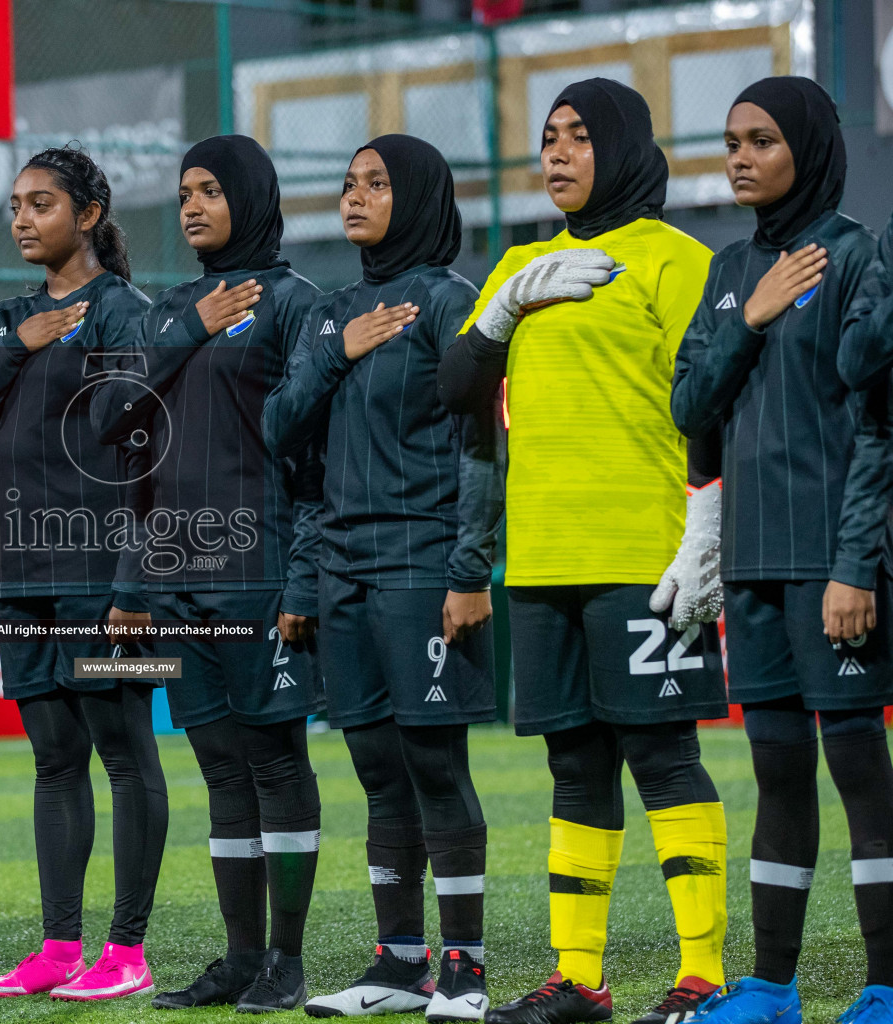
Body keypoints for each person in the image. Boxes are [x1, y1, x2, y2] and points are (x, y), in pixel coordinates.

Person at [438, 79, 731, 1024]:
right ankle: (580, 979)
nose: (556, 154)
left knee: (664, 757)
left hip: (647, 554)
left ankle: (703, 977)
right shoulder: (518, 263)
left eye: (577, 138)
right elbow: (456, 389)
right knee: (574, 767)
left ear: (623, 145)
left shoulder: (675, 261)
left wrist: (706, 526)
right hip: (543, 560)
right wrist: (503, 308)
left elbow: (715, 400)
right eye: (548, 138)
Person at [263, 135, 503, 1020]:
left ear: (421, 196)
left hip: (423, 561)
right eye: (348, 182)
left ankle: (467, 972)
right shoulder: (331, 313)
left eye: (376, 184)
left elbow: (485, 446)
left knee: (435, 766)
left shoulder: (450, 303)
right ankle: (399, 964)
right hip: (342, 569)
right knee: (374, 768)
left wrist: (470, 566)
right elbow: (282, 431)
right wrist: (338, 351)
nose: (354, 197)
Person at [671, 76, 893, 1024]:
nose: (741, 156)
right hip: (754, 568)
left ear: (806, 147)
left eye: (762, 139)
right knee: (774, 771)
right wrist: (751, 315)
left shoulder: (856, 260)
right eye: (732, 141)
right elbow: (689, 407)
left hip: (830, 566)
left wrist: (854, 564)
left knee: (857, 770)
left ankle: (886, 984)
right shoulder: (729, 274)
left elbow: (878, 429)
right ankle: (770, 986)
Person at [91, 134, 325, 1014]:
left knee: (275, 760)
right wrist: (134, 582)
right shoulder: (168, 312)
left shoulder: (299, 304)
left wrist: (303, 583)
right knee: (222, 769)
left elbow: (317, 460)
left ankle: (287, 961)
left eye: (210, 191)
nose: (191, 206)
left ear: (253, 198)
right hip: (177, 577)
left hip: (259, 570)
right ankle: (237, 959)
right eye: (185, 192)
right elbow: (118, 430)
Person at [0, 145, 169, 1002]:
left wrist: (136, 584)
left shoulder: (124, 314)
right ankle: (60, 947)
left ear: (90, 215)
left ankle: (128, 951)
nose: (23, 219)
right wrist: (14, 350)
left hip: (106, 573)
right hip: (26, 575)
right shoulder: (6, 321)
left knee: (124, 748)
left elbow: (149, 460)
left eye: (42, 204)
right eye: (17, 206)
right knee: (54, 759)